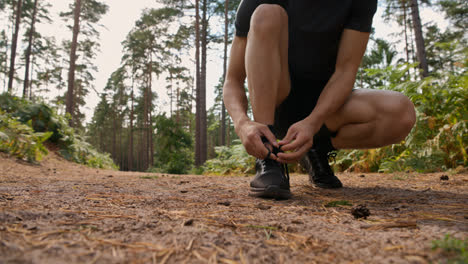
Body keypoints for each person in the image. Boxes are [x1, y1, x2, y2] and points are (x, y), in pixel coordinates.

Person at [223, 0, 416, 199]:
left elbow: (345, 72)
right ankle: (268, 156)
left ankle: (317, 150)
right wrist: (242, 123)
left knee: (400, 112)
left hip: (327, 107)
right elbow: (233, 81)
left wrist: (313, 122)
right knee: (267, 12)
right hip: (276, 101)